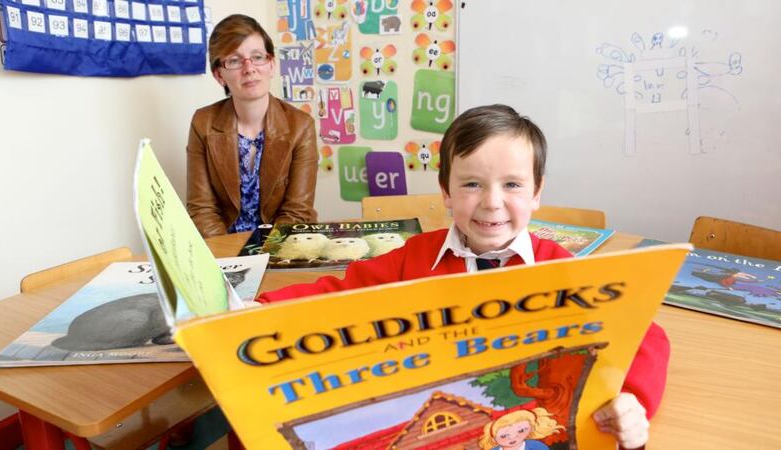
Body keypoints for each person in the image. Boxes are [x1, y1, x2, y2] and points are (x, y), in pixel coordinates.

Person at [257, 104, 667, 449]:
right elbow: (336, 295)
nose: (492, 202)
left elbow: (646, 336)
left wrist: (633, 402)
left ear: (537, 193)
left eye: (512, 184)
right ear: (447, 192)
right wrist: (252, 313)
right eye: (472, 183)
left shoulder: (561, 270)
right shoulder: (414, 257)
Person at [186, 14, 318, 238]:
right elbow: (202, 210)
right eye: (235, 61)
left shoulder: (301, 126)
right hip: (223, 250)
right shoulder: (203, 123)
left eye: (257, 57)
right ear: (220, 75)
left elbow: (296, 212)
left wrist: (265, 256)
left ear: (272, 64)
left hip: (283, 245)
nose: (249, 68)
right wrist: (230, 260)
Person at [478, 407, 564, 450]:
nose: (512, 437)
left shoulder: (535, 446)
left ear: (531, 428)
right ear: (493, 438)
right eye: (504, 436)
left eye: (521, 431)